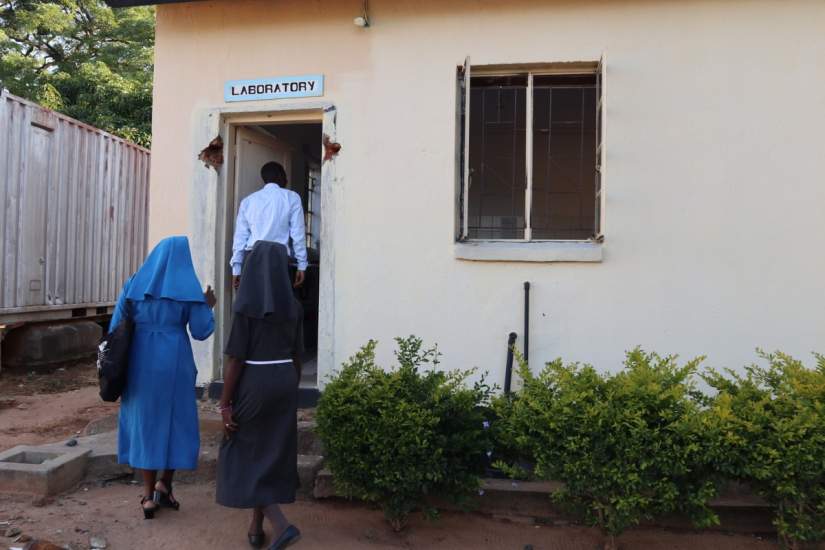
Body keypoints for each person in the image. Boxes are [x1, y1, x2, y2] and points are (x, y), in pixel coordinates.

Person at [109, 236, 216, 520]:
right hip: (175, 364)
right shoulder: (188, 288)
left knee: (146, 423)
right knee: (176, 423)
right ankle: (165, 483)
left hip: (139, 364)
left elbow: (114, 326)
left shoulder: (133, 284)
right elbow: (202, 330)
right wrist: (207, 304)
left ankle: (148, 496)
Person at [216, 241, 303, 550]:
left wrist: (225, 404)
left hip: (255, 380)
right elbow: (297, 355)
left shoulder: (246, 308)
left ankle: (281, 525)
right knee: (268, 452)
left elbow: (236, 360)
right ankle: (255, 528)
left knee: (241, 450)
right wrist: (289, 388)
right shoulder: (294, 307)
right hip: (285, 380)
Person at [231, 161, 307, 291]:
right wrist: (302, 265)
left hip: (252, 259)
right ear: (280, 176)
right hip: (278, 259)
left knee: (254, 306)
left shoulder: (248, 201)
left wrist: (236, 269)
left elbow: (240, 237)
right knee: (279, 305)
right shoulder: (292, 197)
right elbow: (298, 234)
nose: (287, 180)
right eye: (285, 176)